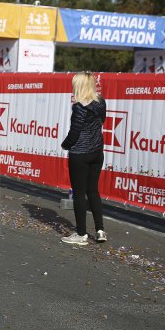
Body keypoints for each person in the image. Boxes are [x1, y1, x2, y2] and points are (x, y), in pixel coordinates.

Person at [60, 72, 107, 246]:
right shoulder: (100, 102)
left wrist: (65, 145)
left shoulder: (79, 106)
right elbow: (102, 120)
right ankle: (100, 230)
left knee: (79, 193)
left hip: (80, 153)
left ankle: (81, 234)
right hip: (97, 152)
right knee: (93, 191)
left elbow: (75, 131)